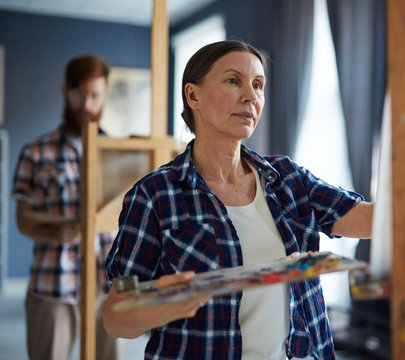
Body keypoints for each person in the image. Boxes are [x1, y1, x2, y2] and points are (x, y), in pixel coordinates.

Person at [103, 40, 373, 359]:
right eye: (234, 81)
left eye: (258, 85)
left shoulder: (287, 177)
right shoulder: (154, 194)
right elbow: (117, 319)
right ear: (193, 95)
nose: (251, 96)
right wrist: (162, 306)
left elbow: (370, 221)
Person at [12, 54, 121, 360]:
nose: (87, 104)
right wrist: (52, 234)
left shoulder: (120, 154)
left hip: (107, 287)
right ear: (65, 92)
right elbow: (22, 220)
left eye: (95, 95)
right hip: (53, 284)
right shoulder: (36, 151)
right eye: (79, 94)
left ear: (105, 95)